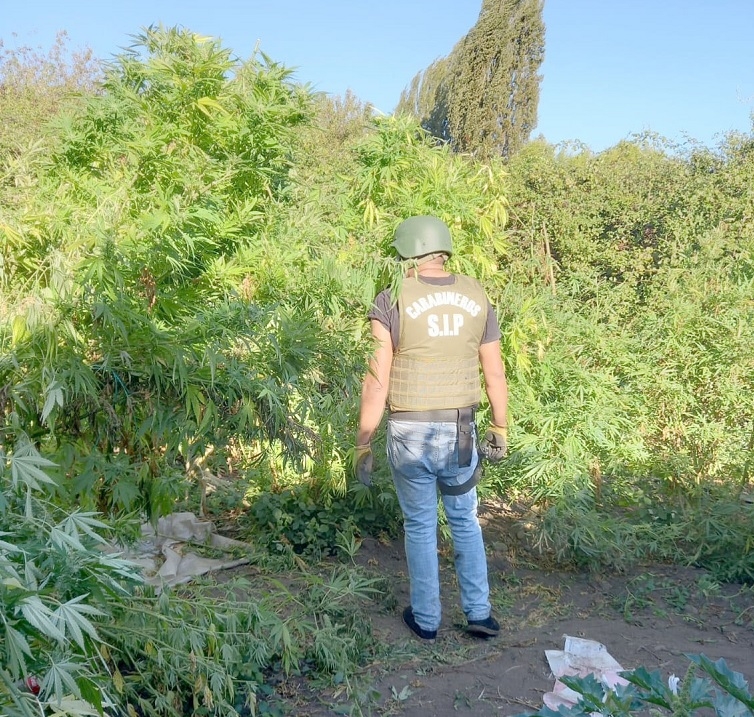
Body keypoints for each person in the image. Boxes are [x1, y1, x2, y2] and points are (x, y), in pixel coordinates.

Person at [355, 215, 509, 642]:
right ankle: (479, 613)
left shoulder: (391, 298)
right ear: (443, 251)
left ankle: (426, 620)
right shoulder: (478, 296)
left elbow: (377, 377)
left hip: (410, 430)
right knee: (465, 519)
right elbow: (494, 371)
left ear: (407, 254)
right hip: (461, 430)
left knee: (420, 525)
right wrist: (500, 425)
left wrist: (362, 443)